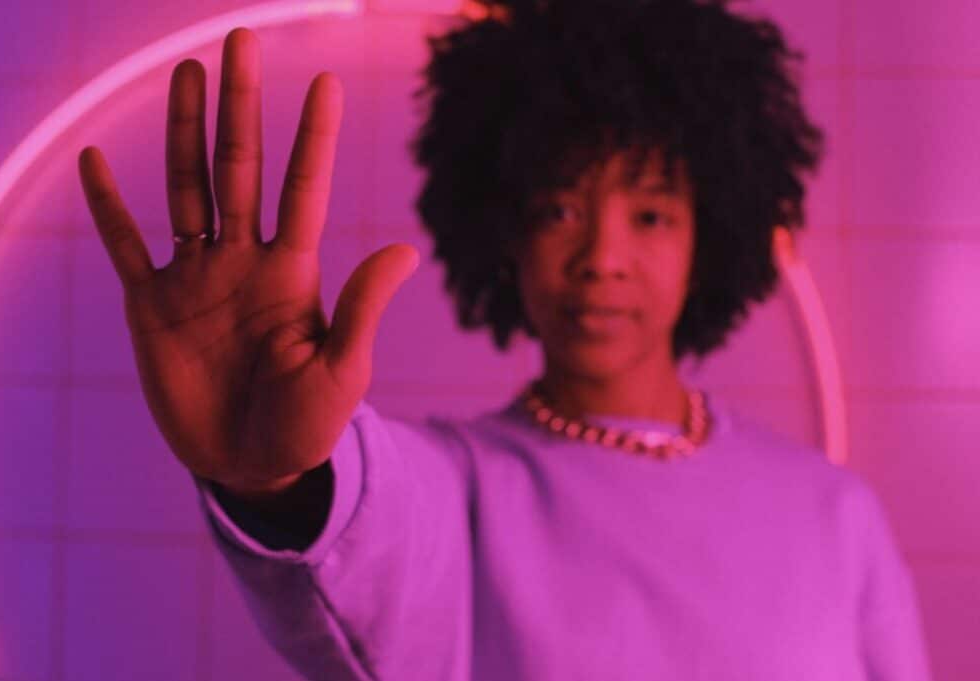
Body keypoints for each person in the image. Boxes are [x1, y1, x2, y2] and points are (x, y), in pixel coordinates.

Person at [77, 0, 933, 678]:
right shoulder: (459, 491)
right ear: (503, 232)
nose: (603, 258)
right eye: (559, 209)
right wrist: (279, 481)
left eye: (649, 214)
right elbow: (367, 533)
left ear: (711, 237)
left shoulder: (835, 514)